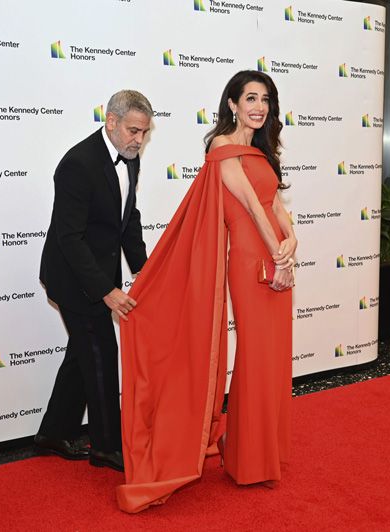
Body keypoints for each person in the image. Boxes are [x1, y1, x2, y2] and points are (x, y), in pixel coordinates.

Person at [117, 70, 296, 513]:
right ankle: (247, 461)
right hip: (253, 259)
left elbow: (275, 204)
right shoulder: (222, 146)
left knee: (274, 357)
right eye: (250, 98)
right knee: (255, 354)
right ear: (232, 104)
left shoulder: (262, 150)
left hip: (278, 258)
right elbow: (252, 209)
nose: (259, 106)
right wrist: (278, 254)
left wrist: (292, 242)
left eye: (266, 99)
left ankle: (256, 450)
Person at [36, 90, 152, 472]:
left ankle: (53, 432)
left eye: (144, 133)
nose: (139, 140)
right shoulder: (77, 164)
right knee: (101, 353)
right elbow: (69, 238)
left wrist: (145, 271)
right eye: (134, 131)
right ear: (112, 122)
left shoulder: (130, 159)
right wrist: (106, 290)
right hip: (73, 277)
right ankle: (106, 446)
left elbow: (127, 220)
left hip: (99, 269)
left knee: (82, 354)